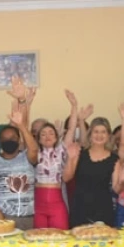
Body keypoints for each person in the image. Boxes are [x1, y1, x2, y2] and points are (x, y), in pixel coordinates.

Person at [64, 104, 124, 227]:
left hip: (103, 211)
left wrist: (123, 181)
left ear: (109, 135)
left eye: (103, 132)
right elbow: (66, 178)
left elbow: (117, 189)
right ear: (90, 134)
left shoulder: (113, 159)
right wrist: (70, 159)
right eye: (96, 132)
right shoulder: (80, 154)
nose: (99, 135)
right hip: (80, 209)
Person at [0, 105, 38, 230]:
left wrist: (21, 126)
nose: (9, 141)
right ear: (0, 142)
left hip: (28, 218)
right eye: (5, 139)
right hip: (2, 217)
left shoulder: (27, 157)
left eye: (13, 138)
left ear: (19, 140)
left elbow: (34, 149)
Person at [34, 91, 82, 229]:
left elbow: (72, 128)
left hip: (57, 204)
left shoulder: (61, 149)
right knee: (39, 243)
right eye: (43, 134)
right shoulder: (34, 152)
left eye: (51, 133)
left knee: (60, 240)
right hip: (39, 206)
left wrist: (74, 106)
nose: (47, 136)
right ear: (38, 138)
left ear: (57, 136)